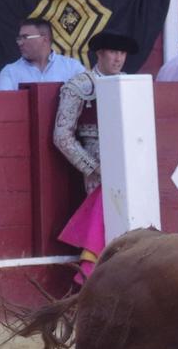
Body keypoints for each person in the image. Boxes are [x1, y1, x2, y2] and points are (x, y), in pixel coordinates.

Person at [53, 30, 138, 282]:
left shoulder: (131, 84)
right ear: (99, 53)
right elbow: (62, 136)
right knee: (105, 225)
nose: (119, 58)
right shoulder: (79, 86)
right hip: (97, 169)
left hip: (130, 164)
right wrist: (93, 167)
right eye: (113, 52)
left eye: (122, 53)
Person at [0, 18, 86, 90]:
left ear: (44, 39)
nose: (20, 43)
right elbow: (3, 110)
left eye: (25, 37)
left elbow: (90, 97)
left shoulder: (72, 68)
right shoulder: (9, 72)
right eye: (19, 38)